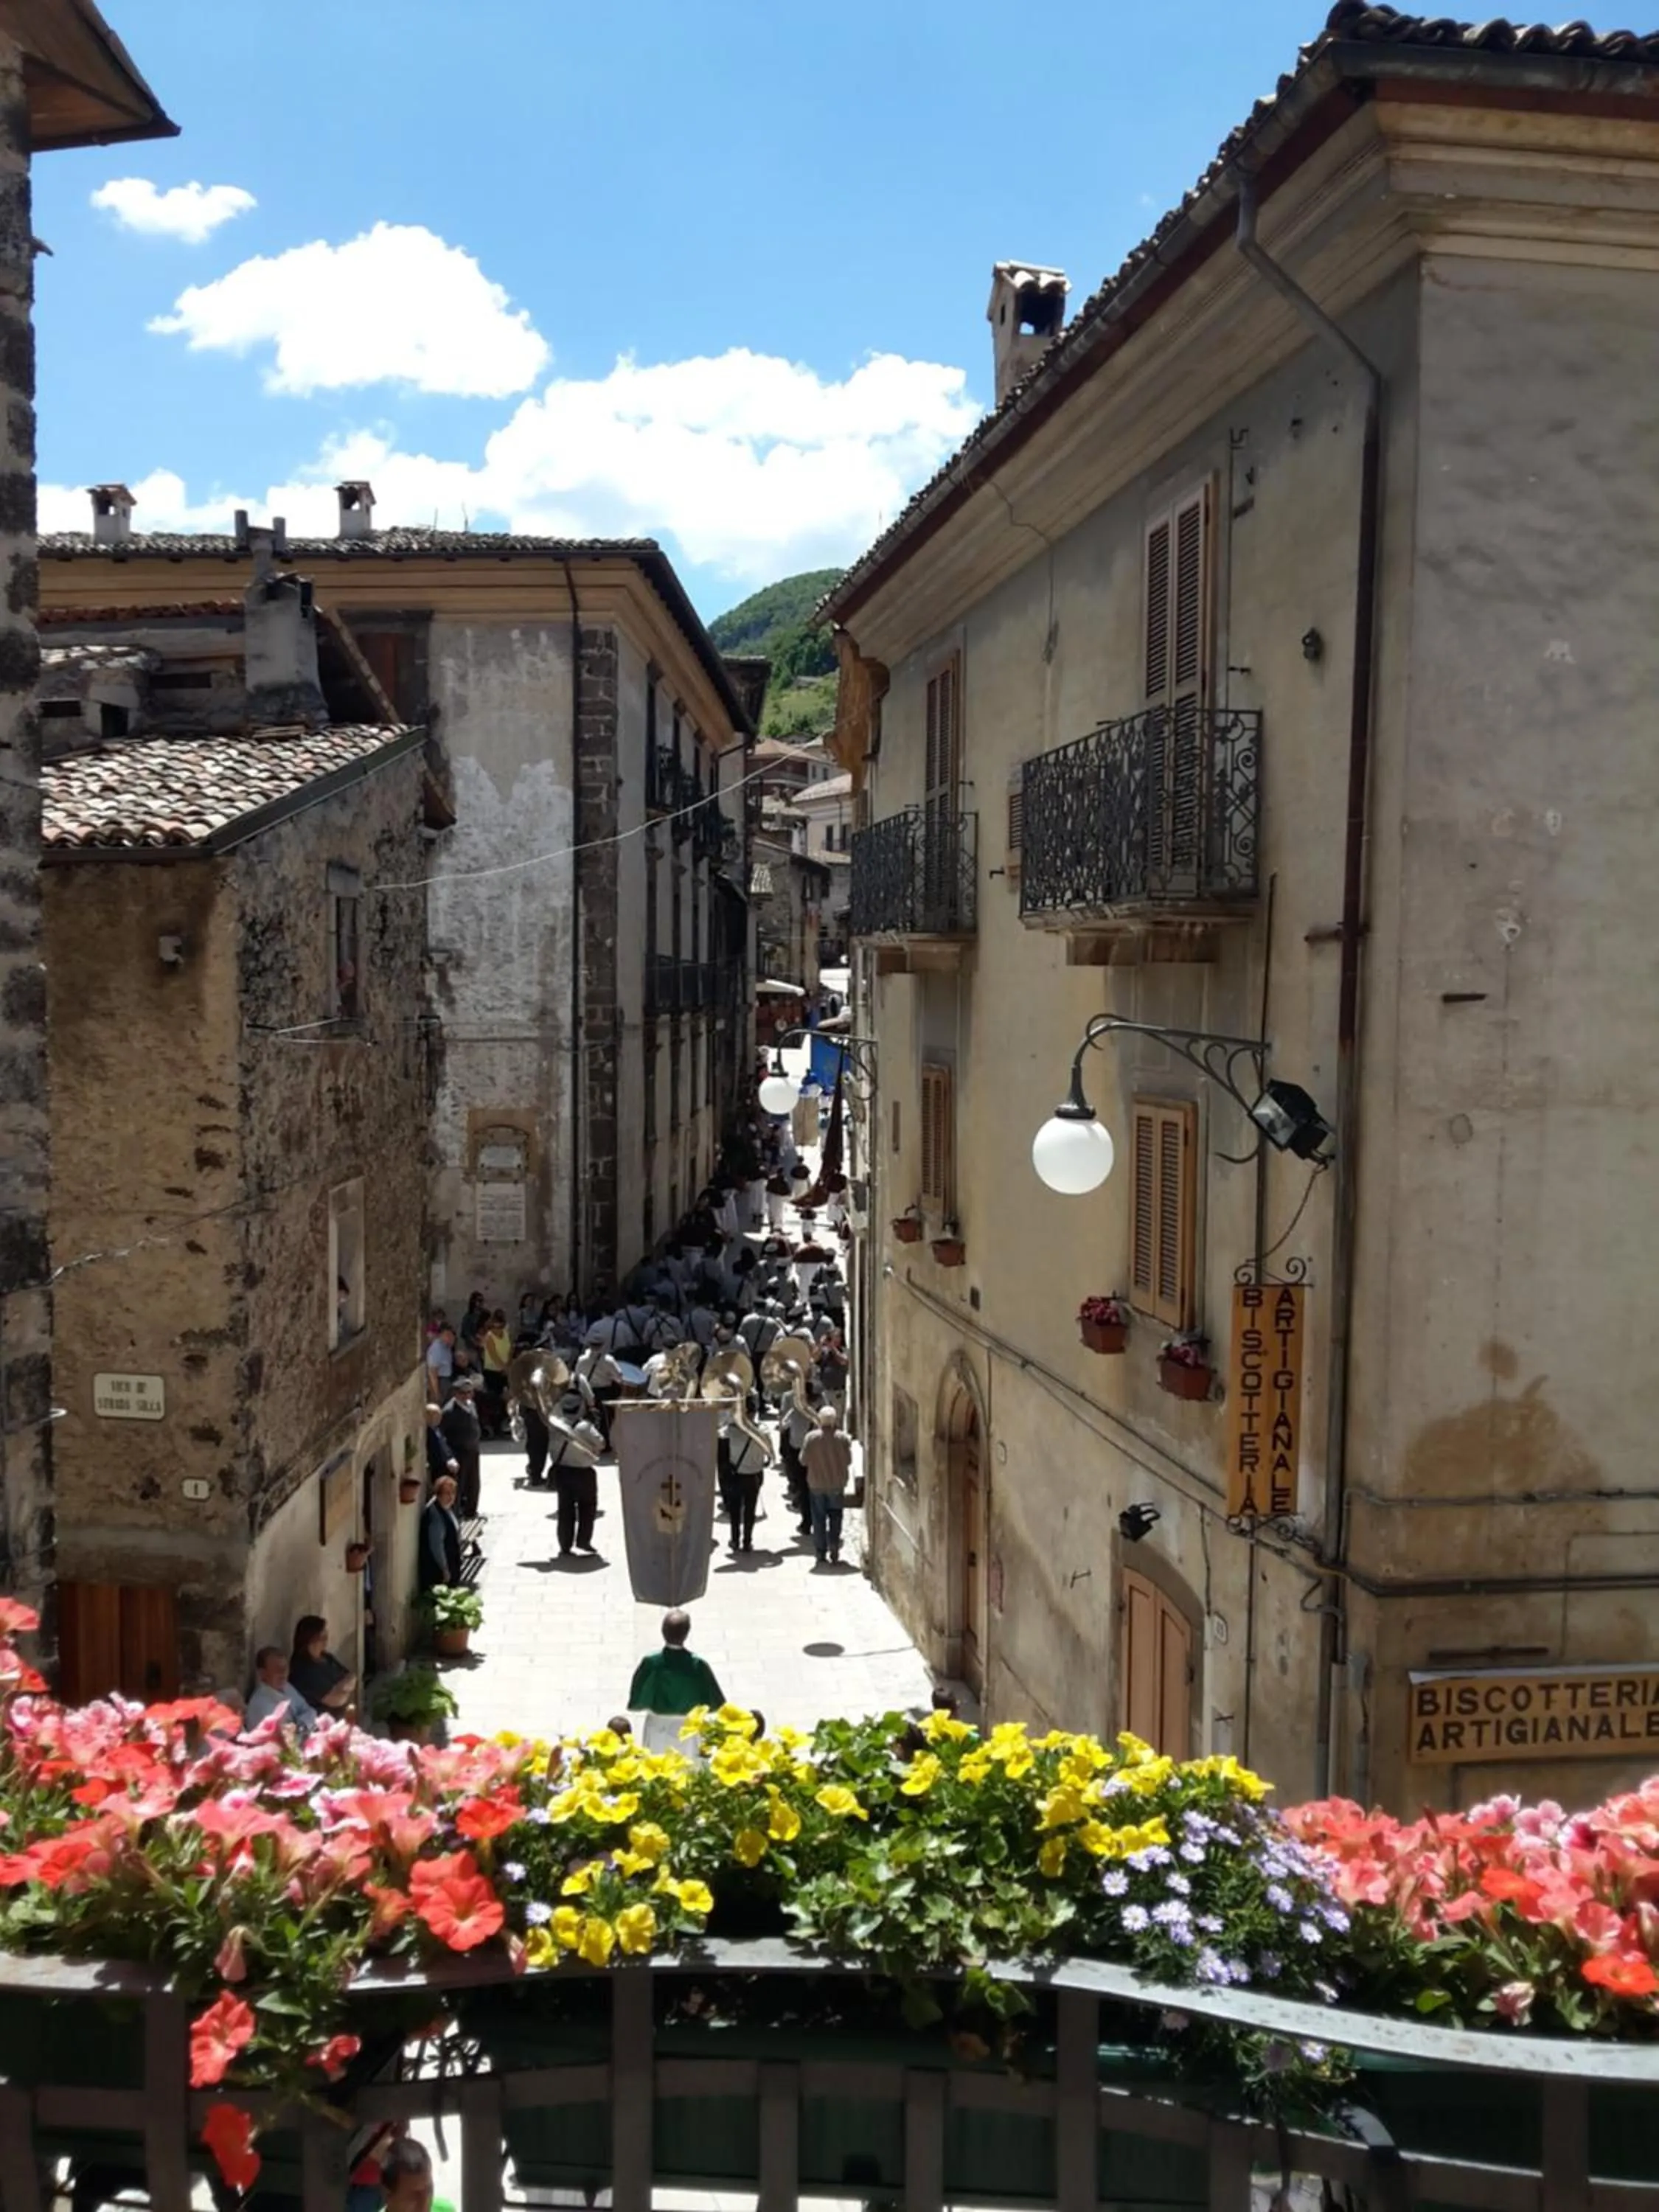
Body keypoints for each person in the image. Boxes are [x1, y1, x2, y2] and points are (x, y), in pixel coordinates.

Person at [627, 1609, 723, 1715]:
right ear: (687, 1633)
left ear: (663, 1631)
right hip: (690, 1724)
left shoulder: (651, 1663)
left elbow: (638, 1697)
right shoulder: (699, 1665)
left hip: (658, 1722)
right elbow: (715, 1702)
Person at [549, 1394, 605, 1557]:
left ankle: (565, 1545)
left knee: (565, 1509)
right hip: (584, 1473)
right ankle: (584, 1541)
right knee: (587, 1507)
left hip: (563, 1472)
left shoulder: (554, 1426)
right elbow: (601, 1443)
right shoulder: (585, 1427)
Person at [801, 1405, 852, 1566]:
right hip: (836, 1485)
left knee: (819, 1519)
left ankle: (820, 1552)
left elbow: (803, 1460)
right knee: (836, 1517)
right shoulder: (842, 1438)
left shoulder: (811, 1438)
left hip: (817, 1485)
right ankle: (834, 1545)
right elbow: (849, 1461)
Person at [717, 1413, 767, 1555]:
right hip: (754, 1475)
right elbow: (768, 1452)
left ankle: (735, 1540)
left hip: (736, 1476)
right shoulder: (762, 1430)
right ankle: (747, 1541)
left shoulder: (729, 1431)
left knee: (735, 1511)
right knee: (750, 1511)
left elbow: (721, 1452)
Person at [288, 1615, 356, 1717]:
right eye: (322, 1638)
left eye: (326, 1637)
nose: (325, 1641)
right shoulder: (303, 1669)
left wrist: (340, 1688)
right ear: (310, 1639)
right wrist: (343, 1689)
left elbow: (352, 1677)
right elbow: (336, 1700)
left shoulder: (326, 1657)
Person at [243, 1646, 318, 1737]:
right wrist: (302, 1725)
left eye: (285, 1668)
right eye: (277, 1669)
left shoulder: (287, 1687)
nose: (283, 1673)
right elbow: (283, 1739)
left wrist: (300, 1726)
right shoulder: (260, 1705)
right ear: (262, 1673)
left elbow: (310, 1711)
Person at [440, 1377, 483, 1522]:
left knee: (474, 1483)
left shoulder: (472, 1405)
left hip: (473, 1450)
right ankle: (457, 1514)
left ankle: (472, 1511)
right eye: (463, 1393)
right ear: (456, 1393)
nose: (467, 1396)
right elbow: (442, 1434)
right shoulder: (449, 1411)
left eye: (470, 1392)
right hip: (459, 1453)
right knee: (460, 1485)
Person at [418, 1474, 464, 1591]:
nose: (451, 1497)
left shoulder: (446, 1508)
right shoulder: (436, 1515)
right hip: (440, 1572)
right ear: (438, 1494)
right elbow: (436, 1545)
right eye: (447, 1493)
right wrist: (445, 1569)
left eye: (453, 1493)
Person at [481, 1309, 514, 1437]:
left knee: (509, 1398)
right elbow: (494, 1356)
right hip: (492, 1372)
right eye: (496, 1326)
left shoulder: (506, 1334)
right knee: (495, 1400)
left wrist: (509, 1365)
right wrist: (504, 1368)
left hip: (505, 1370)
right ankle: (495, 1428)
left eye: (501, 1326)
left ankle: (505, 1424)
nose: (498, 1329)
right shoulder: (489, 1337)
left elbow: (510, 1349)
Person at [425, 1400, 458, 1489]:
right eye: (436, 1415)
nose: (440, 1417)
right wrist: (447, 1462)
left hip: (448, 1466)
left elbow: (445, 1446)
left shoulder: (437, 1429)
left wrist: (451, 1458)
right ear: (428, 1417)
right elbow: (435, 1451)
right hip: (439, 1468)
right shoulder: (428, 1432)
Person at [425, 1324, 456, 1396]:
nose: (450, 1338)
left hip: (448, 1378)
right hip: (441, 1380)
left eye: (451, 1335)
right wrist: (436, 1393)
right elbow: (433, 1372)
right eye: (447, 1335)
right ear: (440, 1335)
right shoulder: (436, 1348)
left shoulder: (447, 1347)